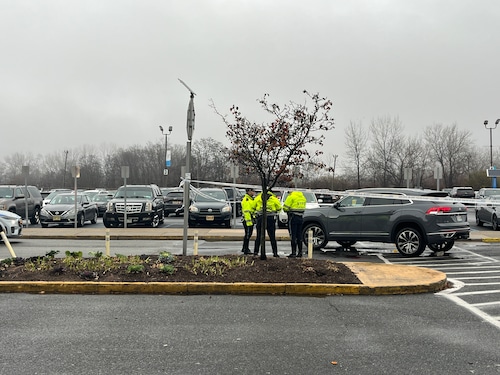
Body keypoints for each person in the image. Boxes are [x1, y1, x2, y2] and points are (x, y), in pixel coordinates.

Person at [253, 190, 282, 257]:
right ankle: (275, 253)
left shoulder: (258, 198)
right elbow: (279, 208)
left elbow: (253, 207)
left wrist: (255, 215)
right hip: (270, 218)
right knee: (272, 237)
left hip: (260, 218)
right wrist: (274, 212)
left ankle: (256, 252)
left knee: (259, 236)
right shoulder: (274, 199)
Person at [283, 190, 307, 258]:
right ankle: (300, 252)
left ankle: (293, 252)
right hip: (301, 217)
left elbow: (285, 208)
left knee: (293, 235)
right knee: (299, 235)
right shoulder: (303, 197)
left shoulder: (291, 197)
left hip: (293, 217)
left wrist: (287, 210)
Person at [240, 188, 256, 255]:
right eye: (252, 191)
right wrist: (249, 222)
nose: (254, 192)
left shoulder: (250, 199)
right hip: (247, 220)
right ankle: (246, 249)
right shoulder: (246, 200)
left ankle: (244, 248)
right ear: (249, 191)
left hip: (249, 219)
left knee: (247, 234)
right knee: (248, 234)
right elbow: (247, 212)